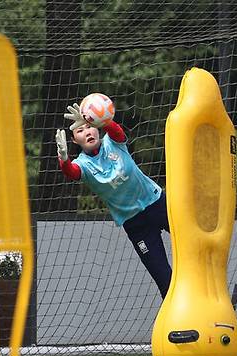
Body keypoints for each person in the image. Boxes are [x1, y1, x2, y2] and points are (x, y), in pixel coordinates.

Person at [55, 101, 171, 299]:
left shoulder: (113, 141)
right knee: (164, 279)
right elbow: (71, 172)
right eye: (80, 131)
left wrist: (101, 117)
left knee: (193, 243)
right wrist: (63, 159)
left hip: (158, 204)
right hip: (135, 224)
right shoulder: (81, 164)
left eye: (90, 126)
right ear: (74, 140)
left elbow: (116, 131)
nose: (88, 132)